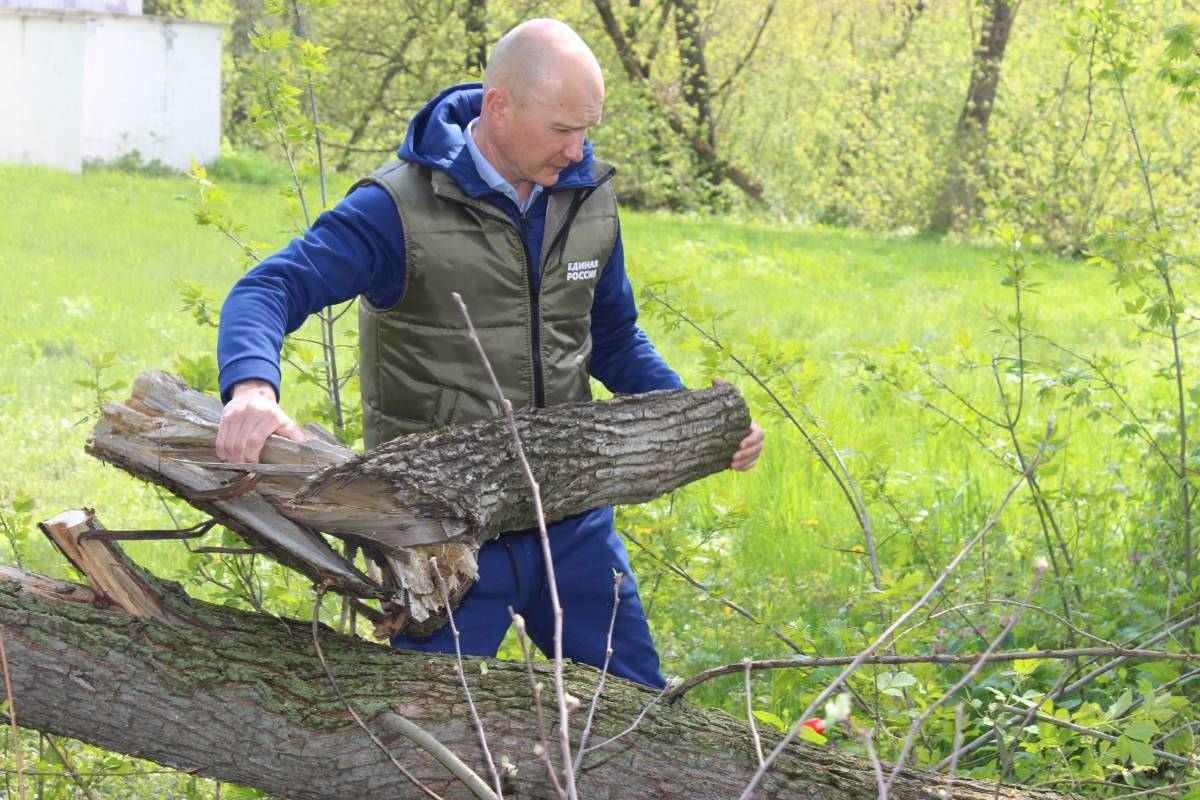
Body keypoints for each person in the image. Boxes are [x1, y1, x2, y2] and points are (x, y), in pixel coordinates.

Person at [214, 18, 764, 688]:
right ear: (499, 106)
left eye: (587, 129)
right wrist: (252, 388)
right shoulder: (397, 208)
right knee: (433, 724)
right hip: (442, 533)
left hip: (573, 520)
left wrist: (693, 419)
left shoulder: (588, 200)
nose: (577, 149)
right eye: (561, 129)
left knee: (633, 712)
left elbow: (612, 336)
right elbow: (270, 287)